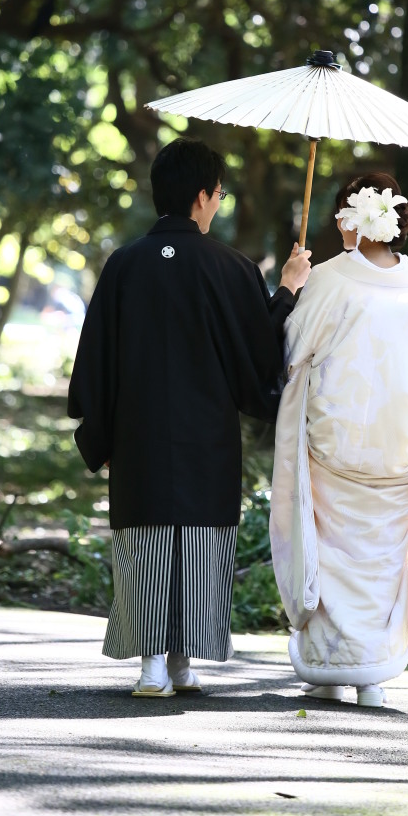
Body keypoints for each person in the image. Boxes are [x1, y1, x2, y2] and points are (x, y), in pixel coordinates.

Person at [68, 138, 311, 697]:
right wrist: (289, 289)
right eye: (219, 194)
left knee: (148, 537)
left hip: (138, 433)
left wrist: (99, 431)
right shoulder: (232, 268)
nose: (219, 203)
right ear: (202, 196)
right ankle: (180, 663)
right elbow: (258, 353)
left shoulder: (124, 265)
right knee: (199, 542)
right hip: (206, 435)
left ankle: (154, 666)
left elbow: (95, 359)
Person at [270, 171, 408, 707]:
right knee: (384, 557)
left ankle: (332, 666)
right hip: (398, 447)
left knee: (332, 551)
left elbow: (290, 349)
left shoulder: (331, 279)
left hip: (337, 443)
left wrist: (302, 280)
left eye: (342, 213)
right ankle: (374, 676)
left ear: (352, 220)